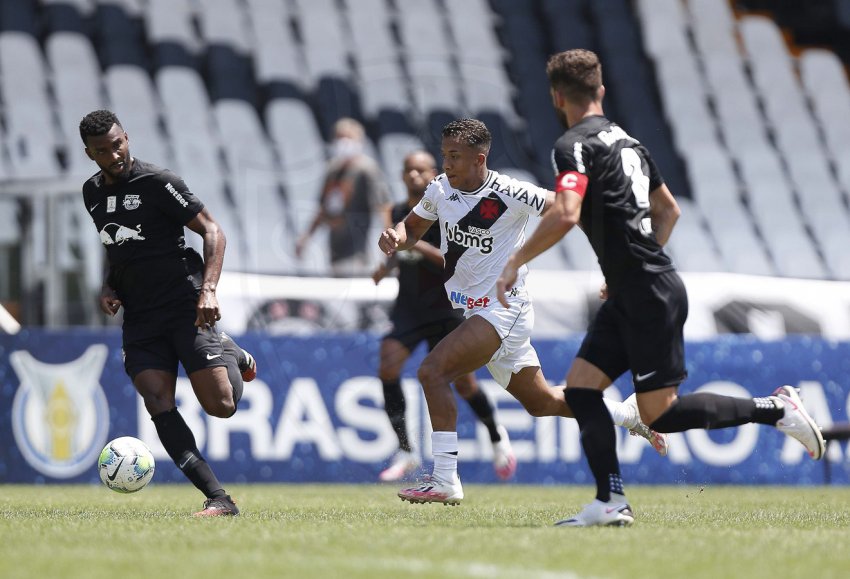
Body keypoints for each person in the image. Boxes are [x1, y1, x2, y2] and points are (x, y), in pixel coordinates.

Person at [496, 49, 825, 527]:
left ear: (555, 96)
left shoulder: (572, 144)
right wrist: (625, 267)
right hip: (639, 286)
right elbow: (668, 210)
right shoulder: (631, 143)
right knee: (584, 390)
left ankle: (775, 409)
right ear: (601, 90)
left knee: (661, 415)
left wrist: (515, 261)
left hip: (646, 291)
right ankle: (610, 501)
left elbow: (566, 213)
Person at [378, 118, 667, 505]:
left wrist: (615, 260)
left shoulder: (508, 191)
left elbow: (569, 209)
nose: (446, 163)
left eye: (455, 157)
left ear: (479, 159)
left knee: (432, 372)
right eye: (445, 154)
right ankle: (632, 416)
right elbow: (412, 227)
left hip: (504, 308)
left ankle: (445, 478)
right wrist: (396, 237)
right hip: (476, 311)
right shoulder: (440, 189)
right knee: (542, 402)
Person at [79, 109, 258, 517]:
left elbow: (213, 230)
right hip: (140, 316)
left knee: (222, 406)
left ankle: (230, 350)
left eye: (118, 144)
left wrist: (209, 291)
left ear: (127, 136)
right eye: (103, 151)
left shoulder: (158, 182)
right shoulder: (91, 193)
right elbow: (118, 248)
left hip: (184, 305)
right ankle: (219, 499)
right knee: (157, 399)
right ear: (90, 154)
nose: (114, 155)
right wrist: (109, 286)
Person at [372, 150, 516, 482]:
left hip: (447, 307)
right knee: (387, 364)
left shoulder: (446, 210)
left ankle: (496, 436)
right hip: (409, 307)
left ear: (433, 173)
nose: (413, 176)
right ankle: (406, 451)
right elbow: (397, 252)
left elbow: (453, 262)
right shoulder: (395, 211)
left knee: (465, 384)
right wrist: (386, 266)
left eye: (420, 170)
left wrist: (414, 244)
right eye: (408, 169)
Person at [296, 118, 391, 277]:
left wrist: (389, 240)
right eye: (340, 137)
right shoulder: (333, 169)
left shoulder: (366, 169)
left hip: (357, 249)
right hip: (334, 247)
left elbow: (382, 206)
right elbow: (323, 208)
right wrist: (306, 237)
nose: (344, 142)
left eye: (348, 137)